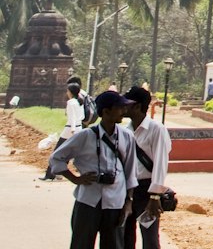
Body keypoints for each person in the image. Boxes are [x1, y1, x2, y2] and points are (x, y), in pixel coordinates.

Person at [45, 89, 134, 249]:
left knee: (114, 244)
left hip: (115, 202)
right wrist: (75, 179)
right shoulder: (85, 136)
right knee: (82, 244)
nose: (124, 111)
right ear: (106, 112)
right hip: (89, 200)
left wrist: (128, 202)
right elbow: (56, 158)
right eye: (120, 108)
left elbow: (130, 172)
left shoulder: (127, 136)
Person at [121, 86, 171, 249]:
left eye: (127, 103)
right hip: (127, 189)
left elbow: (160, 164)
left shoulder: (157, 130)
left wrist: (155, 197)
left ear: (137, 106)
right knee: (125, 236)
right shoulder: (125, 130)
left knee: (150, 238)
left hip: (146, 189)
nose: (123, 106)